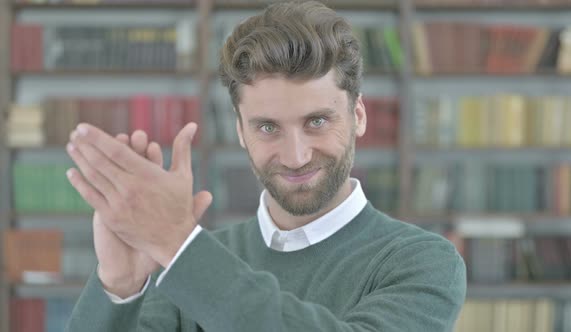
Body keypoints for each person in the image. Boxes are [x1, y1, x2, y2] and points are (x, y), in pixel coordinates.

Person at [65, 1, 466, 331]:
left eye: (317, 121)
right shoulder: (190, 263)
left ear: (358, 115)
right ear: (240, 131)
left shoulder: (422, 262)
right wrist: (118, 285)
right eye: (268, 127)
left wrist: (178, 247)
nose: (296, 156)